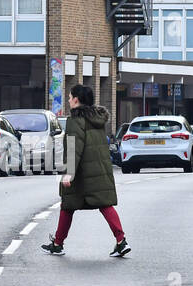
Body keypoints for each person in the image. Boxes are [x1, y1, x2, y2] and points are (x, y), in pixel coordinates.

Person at [42, 85, 129, 257]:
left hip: (82, 172)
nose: (68, 100)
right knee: (103, 204)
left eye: (69, 97)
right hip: (98, 169)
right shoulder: (95, 119)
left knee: (68, 204)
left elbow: (74, 148)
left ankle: (58, 244)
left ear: (76, 99)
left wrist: (69, 173)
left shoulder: (76, 121)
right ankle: (121, 240)